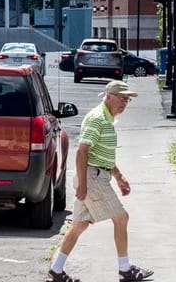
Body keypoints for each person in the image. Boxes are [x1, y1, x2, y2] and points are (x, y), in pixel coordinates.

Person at [46, 80, 153, 282]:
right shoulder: (98, 119)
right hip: (93, 177)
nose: (125, 103)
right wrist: (83, 185)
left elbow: (101, 154)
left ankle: (56, 270)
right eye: (122, 98)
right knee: (121, 218)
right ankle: (125, 269)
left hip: (95, 174)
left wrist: (118, 176)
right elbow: (82, 151)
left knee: (79, 225)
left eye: (127, 99)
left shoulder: (107, 118)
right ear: (109, 96)